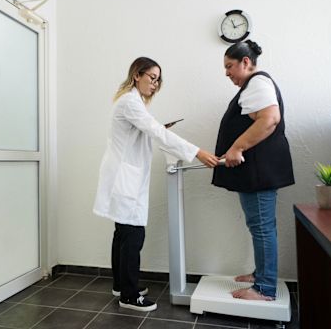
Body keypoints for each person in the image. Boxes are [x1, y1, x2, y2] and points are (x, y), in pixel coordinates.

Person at [93, 57, 219, 312]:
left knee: (123, 233)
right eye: (152, 77)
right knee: (132, 234)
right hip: (124, 177)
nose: (155, 83)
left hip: (124, 174)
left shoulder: (132, 101)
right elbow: (156, 133)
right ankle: (129, 296)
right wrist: (197, 152)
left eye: (158, 79)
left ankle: (121, 286)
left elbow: (147, 130)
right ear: (137, 75)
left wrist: (159, 128)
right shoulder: (130, 101)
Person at [211, 40, 295, 301]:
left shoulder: (257, 82)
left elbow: (270, 118)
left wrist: (236, 147)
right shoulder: (254, 85)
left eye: (229, 66)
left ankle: (265, 288)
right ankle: (262, 276)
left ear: (245, 62)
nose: (227, 73)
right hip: (257, 172)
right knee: (259, 225)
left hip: (259, 173)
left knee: (261, 227)